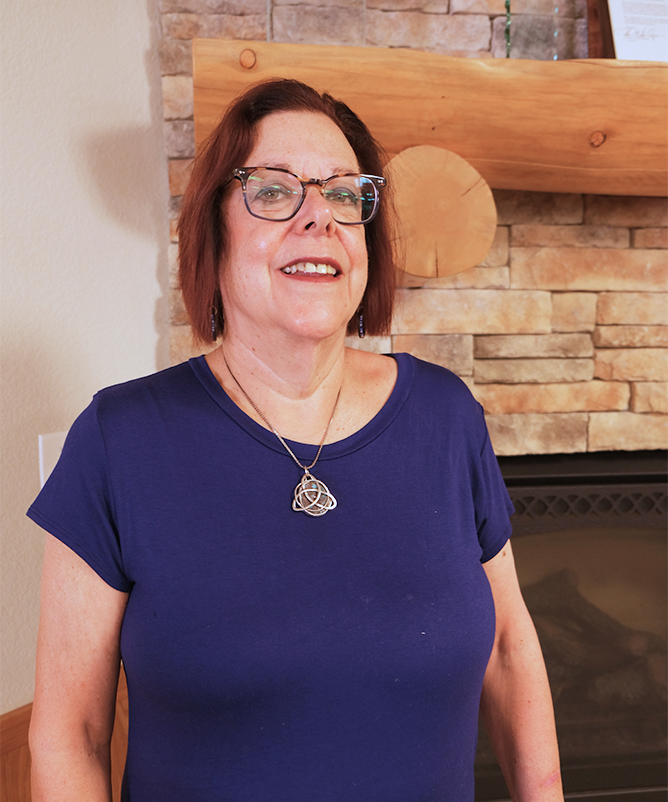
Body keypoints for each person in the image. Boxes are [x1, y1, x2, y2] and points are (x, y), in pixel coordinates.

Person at [28, 78, 563, 801]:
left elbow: (505, 650)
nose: (320, 217)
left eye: (344, 193)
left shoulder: (447, 417)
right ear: (214, 230)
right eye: (275, 191)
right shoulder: (118, 440)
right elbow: (72, 735)